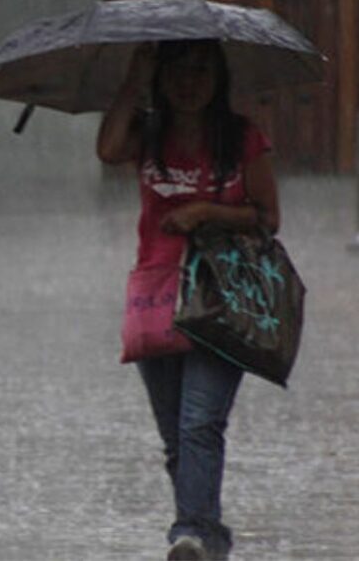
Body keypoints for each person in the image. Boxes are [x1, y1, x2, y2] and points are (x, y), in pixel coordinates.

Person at [97, 39, 280, 561]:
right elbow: (109, 149)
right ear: (161, 76)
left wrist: (206, 212)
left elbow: (268, 217)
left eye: (201, 70)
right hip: (156, 295)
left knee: (201, 422)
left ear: (219, 78)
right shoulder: (149, 133)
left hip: (223, 296)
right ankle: (208, 539)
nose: (189, 82)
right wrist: (134, 78)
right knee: (178, 435)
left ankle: (190, 531)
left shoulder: (243, 139)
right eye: (177, 70)